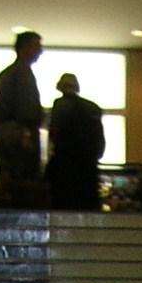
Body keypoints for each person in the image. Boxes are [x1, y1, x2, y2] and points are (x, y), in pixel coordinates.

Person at [0, 31, 44, 205]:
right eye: (37, 46)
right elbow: (26, 107)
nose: (40, 51)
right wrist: (26, 132)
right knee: (22, 183)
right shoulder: (21, 73)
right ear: (25, 48)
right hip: (18, 132)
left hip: (7, 131)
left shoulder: (8, 74)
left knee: (8, 178)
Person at [45, 72, 106, 210]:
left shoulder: (60, 105)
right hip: (89, 166)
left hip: (66, 165)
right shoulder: (92, 108)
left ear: (60, 87)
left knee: (65, 204)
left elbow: (55, 132)